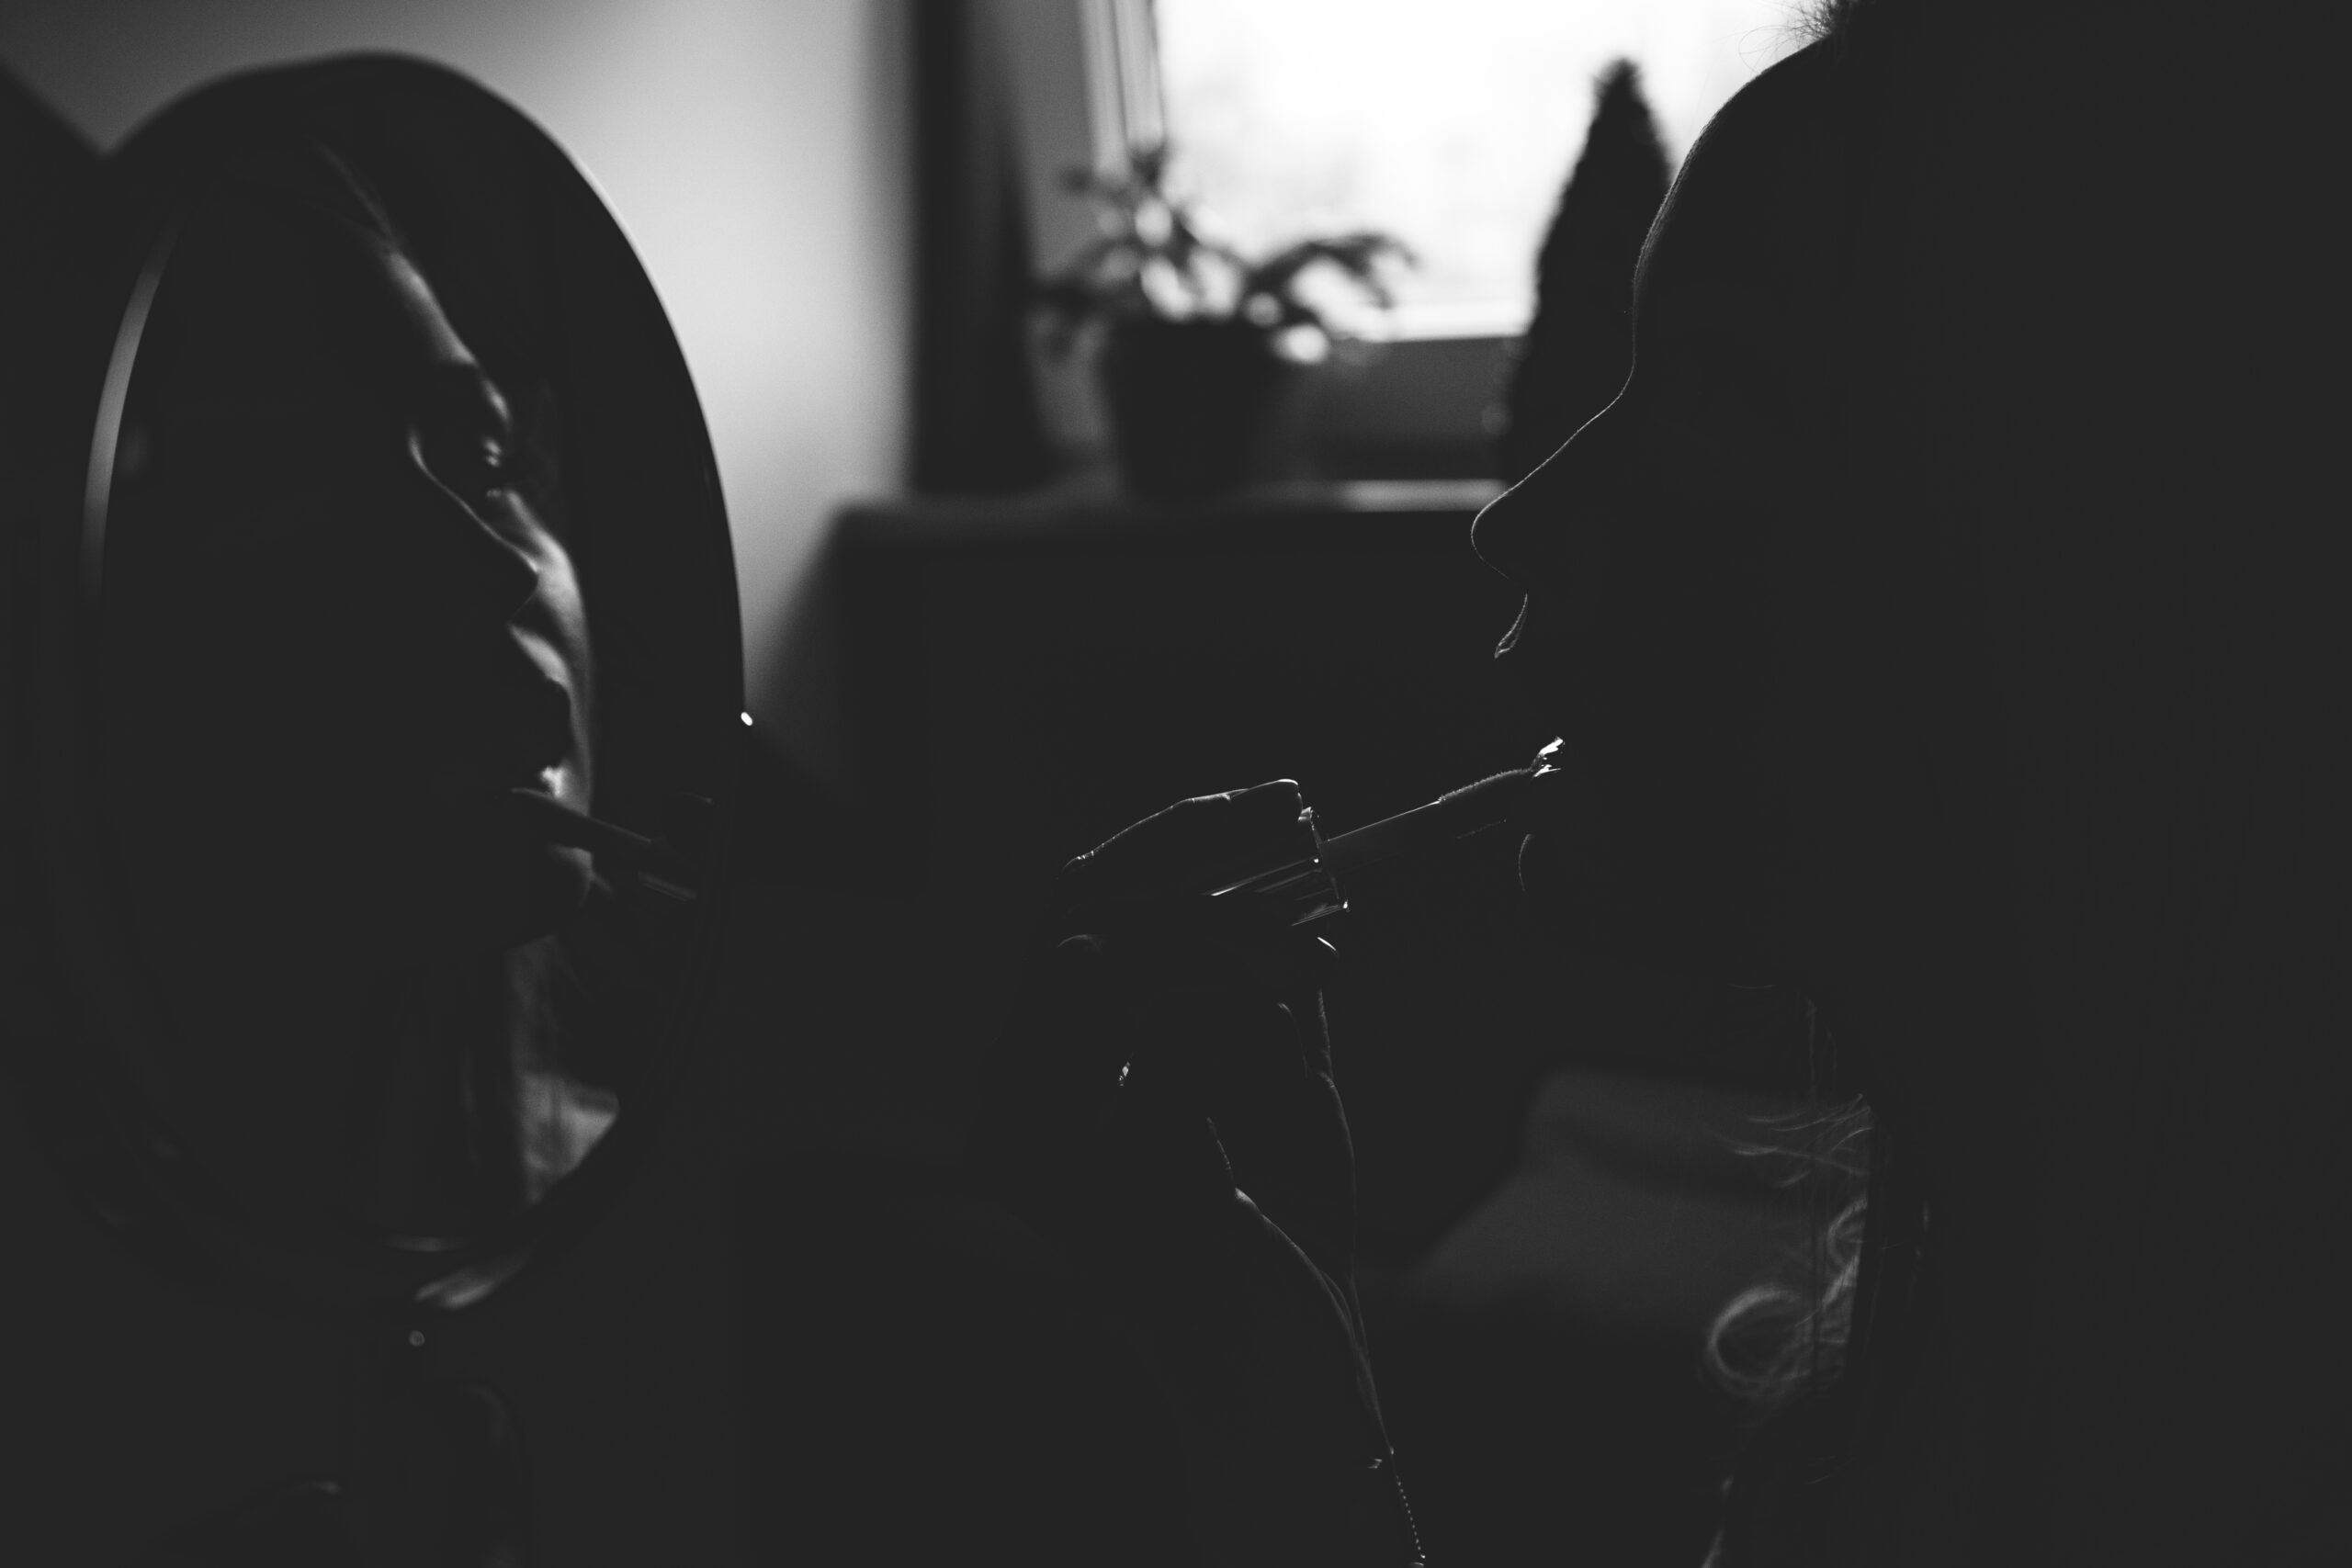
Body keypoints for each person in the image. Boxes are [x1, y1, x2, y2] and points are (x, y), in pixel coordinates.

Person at [974, 0, 2343, 1561]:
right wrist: (1282, 1390)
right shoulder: (1959, 1376)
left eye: (1717, 397)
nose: (1516, 522)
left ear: (2091, 542)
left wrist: (1282, 1449)